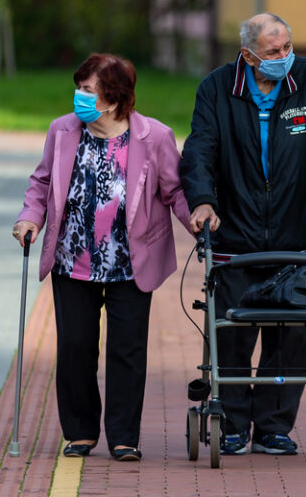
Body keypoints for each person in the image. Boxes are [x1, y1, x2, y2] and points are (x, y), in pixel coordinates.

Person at [179, 13, 306, 456]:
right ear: (248, 55)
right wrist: (202, 200)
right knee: (234, 330)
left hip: (297, 234)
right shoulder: (216, 89)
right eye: (274, 51)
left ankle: (275, 425)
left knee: (291, 331)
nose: (284, 57)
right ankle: (233, 423)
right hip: (235, 232)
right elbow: (200, 149)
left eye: (288, 47)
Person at [13, 53, 191, 461]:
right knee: (76, 347)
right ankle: (80, 431)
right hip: (72, 258)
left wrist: (196, 221)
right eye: (78, 88)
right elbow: (41, 182)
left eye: (88, 90)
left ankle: (124, 436)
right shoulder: (62, 130)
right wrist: (29, 219)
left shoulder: (155, 137)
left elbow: (175, 191)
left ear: (113, 99)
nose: (79, 97)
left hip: (132, 261)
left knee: (127, 351)